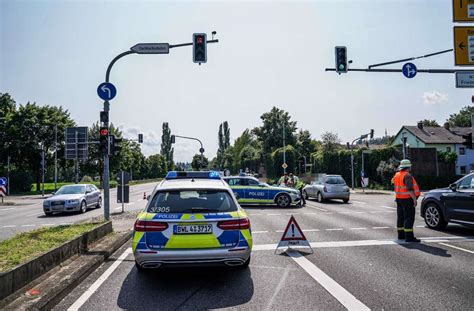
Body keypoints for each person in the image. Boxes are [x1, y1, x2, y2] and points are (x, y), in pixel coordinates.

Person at [392, 159, 421, 242]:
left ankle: (401, 235)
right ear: (408, 167)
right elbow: (410, 189)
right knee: (409, 218)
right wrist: (414, 199)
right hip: (407, 200)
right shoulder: (407, 175)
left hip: (399, 199)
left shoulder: (397, 175)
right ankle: (409, 237)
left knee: (400, 217)